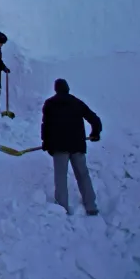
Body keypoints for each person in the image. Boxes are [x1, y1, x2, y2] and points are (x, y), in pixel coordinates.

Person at [41, 78, 102, 216]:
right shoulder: (76, 102)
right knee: (83, 175)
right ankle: (91, 206)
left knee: (61, 177)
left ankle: (62, 208)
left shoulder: (50, 104)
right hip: (77, 144)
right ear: (67, 89)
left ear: (56, 89)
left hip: (59, 147)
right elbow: (95, 119)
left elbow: (45, 126)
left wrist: (46, 142)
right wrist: (95, 133)